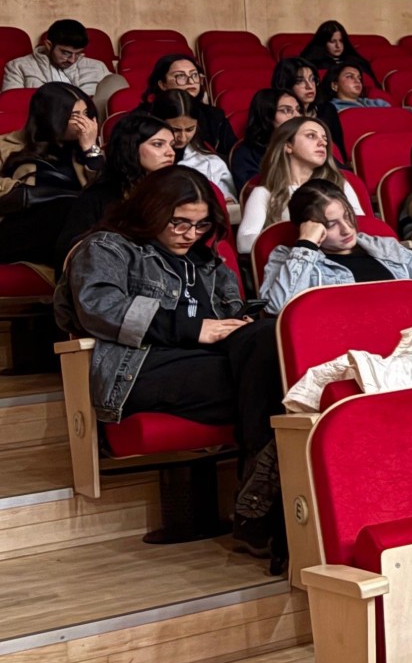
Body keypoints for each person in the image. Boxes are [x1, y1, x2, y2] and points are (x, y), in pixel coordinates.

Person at [55, 168, 283, 551]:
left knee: (269, 343)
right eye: (179, 223)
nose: (190, 234)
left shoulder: (207, 261)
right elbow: (100, 308)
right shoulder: (108, 247)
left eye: (201, 225)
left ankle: (260, 508)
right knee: (274, 385)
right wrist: (193, 328)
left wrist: (237, 323)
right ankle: (262, 508)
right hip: (138, 367)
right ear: (151, 211)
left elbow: (230, 313)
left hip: (208, 362)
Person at [262, 180, 412, 311]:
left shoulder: (385, 248)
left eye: (347, 216)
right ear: (309, 227)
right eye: (331, 224)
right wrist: (306, 245)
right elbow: (278, 306)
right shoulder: (287, 257)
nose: (347, 229)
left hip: (410, 334)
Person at [54, 114, 176, 270]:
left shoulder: (174, 191)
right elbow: (69, 255)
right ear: (131, 147)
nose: (170, 152)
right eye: (158, 144)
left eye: (172, 145)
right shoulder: (99, 196)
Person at [0, 84, 103, 265]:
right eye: (75, 115)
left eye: (86, 113)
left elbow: (104, 192)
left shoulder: (88, 150)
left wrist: (90, 150)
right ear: (52, 116)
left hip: (69, 234)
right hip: (17, 229)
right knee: (71, 207)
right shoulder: (6, 146)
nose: (84, 122)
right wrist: (31, 193)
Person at [236, 117, 359, 254]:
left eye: (325, 139)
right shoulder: (265, 193)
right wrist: (304, 239)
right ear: (288, 145)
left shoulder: (339, 184)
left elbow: (364, 228)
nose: (323, 143)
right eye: (311, 136)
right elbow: (243, 243)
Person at [146, 90, 235, 200]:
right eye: (175, 130)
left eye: (189, 129)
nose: (183, 138)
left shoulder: (211, 163)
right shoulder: (143, 158)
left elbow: (230, 203)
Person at [140, 55, 235, 155]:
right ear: (163, 84)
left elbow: (232, 153)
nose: (190, 81)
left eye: (194, 75)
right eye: (180, 76)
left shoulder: (214, 115)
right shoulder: (143, 118)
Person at [3, 19, 108, 94]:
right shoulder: (18, 67)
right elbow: (12, 105)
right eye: (66, 53)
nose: (72, 60)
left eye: (78, 53)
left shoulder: (98, 67)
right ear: (49, 45)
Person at [271, 57, 347, 158]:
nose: (309, 86)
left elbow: (339, 152)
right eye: (299, 81)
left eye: (312, 79)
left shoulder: (327, 110)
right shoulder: (281, 115)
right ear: (286, 84)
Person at [229, 89, 303, 189]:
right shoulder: (246, 154)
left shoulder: (308, 145)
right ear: (267, 116)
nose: (297, 116)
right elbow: (252, 191)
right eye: (286, 110)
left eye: (299, 110)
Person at [299, 22, 377, 89]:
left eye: (341, 41)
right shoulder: (312, 62)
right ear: (323, 43)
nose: (338, 45)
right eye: (332, 41)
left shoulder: (357, 62)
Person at [324, 59, 390, 113]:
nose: (357, 81)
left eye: (359, 78)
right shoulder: (329, 110)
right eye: (350, 76)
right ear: (335, 85)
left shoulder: (378, 104)